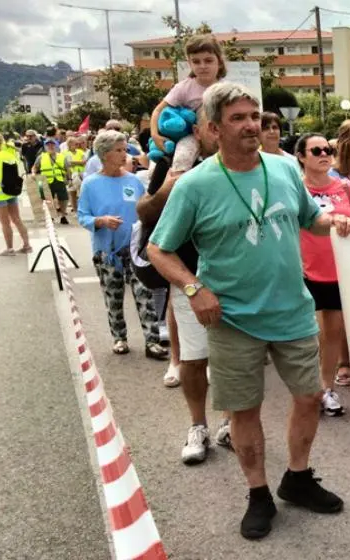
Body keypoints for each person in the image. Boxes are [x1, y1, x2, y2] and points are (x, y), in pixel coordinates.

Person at [148, 82, 350, 540]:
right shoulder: (196, 185)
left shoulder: (283, 170)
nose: (250, 125)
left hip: (292, 311)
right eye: (238, 118)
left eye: (254, 116)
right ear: (213, 128)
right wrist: (194, 288)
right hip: (233, 319)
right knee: (245, 410)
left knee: (308, 397)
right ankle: (258, 493)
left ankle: (297, 478)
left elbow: (308, 218)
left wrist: (332, 221)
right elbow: (158, 249)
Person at [137, 106, 232, 461]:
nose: (218, 129)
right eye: (213, 123)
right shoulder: (175, 162)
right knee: (194, 359)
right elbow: (144, 212)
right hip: (189, 275)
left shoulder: (245, 165)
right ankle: (198, 426)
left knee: (230, 359)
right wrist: (167, 189)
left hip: (238, 280)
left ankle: (228, 423)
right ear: (201, 128)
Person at [77, 130, 168, 360]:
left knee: (144, 294)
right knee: (114, 296)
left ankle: (153, 341)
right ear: (105, 154)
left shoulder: (133, 181)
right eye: (118, 150)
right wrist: (100, 221)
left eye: (124, 148)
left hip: (136, 250)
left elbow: (145, 208)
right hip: (108, 253)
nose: (124, 153)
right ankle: (119, 338)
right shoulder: (90, 184)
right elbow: (82, 216)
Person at [297, 132, 350, 416]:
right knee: (303, 337)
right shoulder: (295, 189)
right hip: (302, 271)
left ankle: (326, 388)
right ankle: (305, 390)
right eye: (316, 151)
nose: (324, 154)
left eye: (327, 149)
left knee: (332, 334)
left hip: (339, 271)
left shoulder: (346, 188)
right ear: (301, 157)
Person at [149, 34, 225, 173]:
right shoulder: (183, 88)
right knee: (182, 158)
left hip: (221, 135)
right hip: (192, 136)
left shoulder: (226, 89)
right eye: (196, 62)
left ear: (219, 62)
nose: (202, 66)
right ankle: (177, 186)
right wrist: (155, 135)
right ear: (189, 63)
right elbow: (158, 111)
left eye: (208, 60)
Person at [0, 132, 30, 255]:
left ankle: (9, 249)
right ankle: (27, 245)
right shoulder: (9, 155)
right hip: (11, 192)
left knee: (5, 223)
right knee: (17, 219)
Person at [34, 139, 71, 224]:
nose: (50, 146)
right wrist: (33, 174)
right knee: (48, 199)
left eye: (52, 144)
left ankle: (63, 215)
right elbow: (35, 167)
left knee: (64, 199)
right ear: (45, 147)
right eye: (48, 145)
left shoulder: (61, 156)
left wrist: (69, 178)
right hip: (46, 181)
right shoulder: (41, 157)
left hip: (59, 180)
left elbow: (67, 168)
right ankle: (50, 216)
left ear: (56, 146)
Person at [67, 136, 88, 212]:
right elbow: (68, 163)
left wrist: (74, 162)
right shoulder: (65, 153)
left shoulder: (80, 152)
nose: (77, 145)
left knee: (82, 192)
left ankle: (82, 208)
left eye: (77, 144)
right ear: (69, 145)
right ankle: (75, 209)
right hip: (71, 174)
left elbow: (85, 161)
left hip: (82, 174)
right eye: (75, 144)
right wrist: (79, 162)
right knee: (72, 192)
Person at [19, 130, 43, 194]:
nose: (28, 138)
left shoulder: (41, 144)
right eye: (27, 136)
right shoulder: (24, 146)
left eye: (30, 136)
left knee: (42, 192)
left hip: (41, 171)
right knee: (34, 194)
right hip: (29, 172)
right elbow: (24, 159)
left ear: (35, 136)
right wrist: (26, 170)